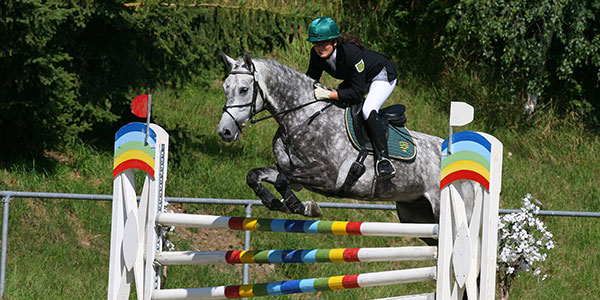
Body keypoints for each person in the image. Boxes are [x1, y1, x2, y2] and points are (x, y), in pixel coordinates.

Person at [306, 17, 397, 179]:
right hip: (358, 79)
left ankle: (384, 160)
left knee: (368, 109)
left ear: (334, 42)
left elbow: (357, 93)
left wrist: (329, 94)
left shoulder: (351, 54)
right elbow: (310, 80)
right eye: (316, 44)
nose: (319, 48)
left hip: (381, 75)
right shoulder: (316, 54)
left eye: (324, 43)